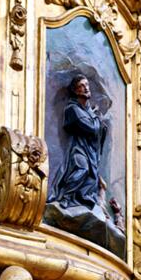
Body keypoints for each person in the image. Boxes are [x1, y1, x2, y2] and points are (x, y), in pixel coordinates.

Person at [47, 74, 109, 210]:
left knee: (90, 176)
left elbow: (99, 128)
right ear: (75, 91)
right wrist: (97, 119)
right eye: (82, 86)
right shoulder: (72, 109)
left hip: (89, 150)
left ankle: (78, 199)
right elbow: (91, 128)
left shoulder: (88, 110)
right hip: (78, 148)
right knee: (82, 168)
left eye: (87, 85)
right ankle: (65, 196)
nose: (86, 88)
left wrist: (97, 120)